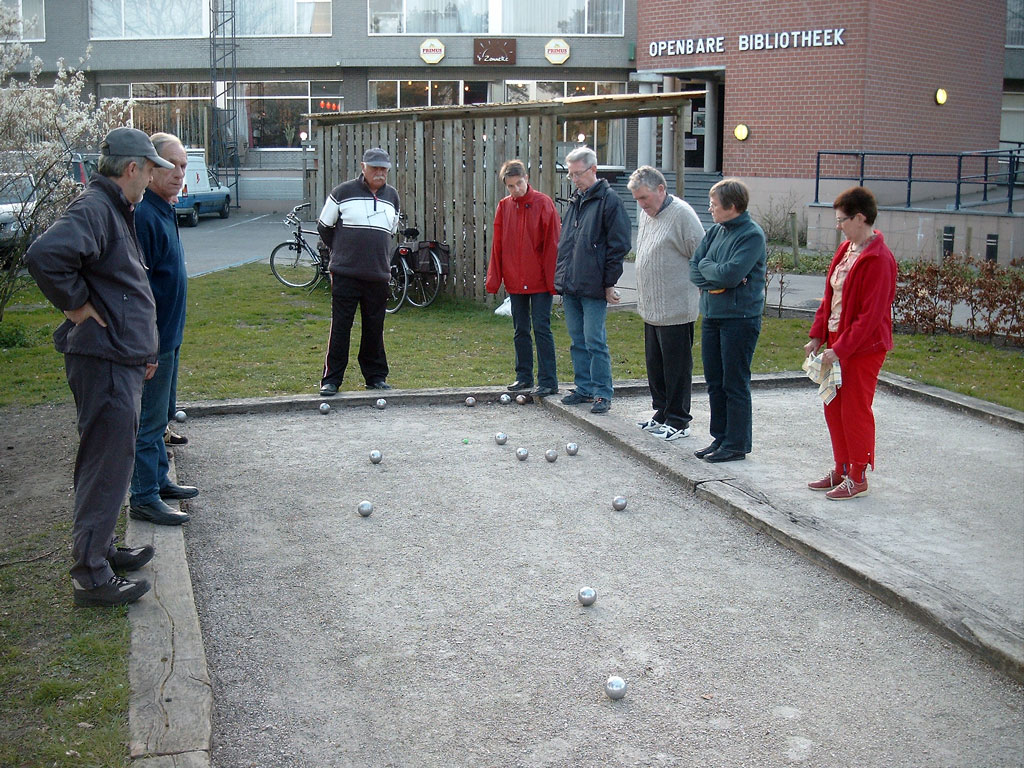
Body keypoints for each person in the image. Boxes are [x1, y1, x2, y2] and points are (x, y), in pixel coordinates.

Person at [25, 127, 174, 607]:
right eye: (150, 169)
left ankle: (102, 549)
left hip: (119, 357)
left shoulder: (117, 207)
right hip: (104, 360)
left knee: (112, 461)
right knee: (105, 465)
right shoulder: (95, 208)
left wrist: (141, 347)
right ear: (133, 169)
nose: (153, 177)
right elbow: (45, 256)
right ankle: (91, 575)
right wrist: (76, 307)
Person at [803, 186, 897, 500]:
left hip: (863, 349)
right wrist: (818, 335)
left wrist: (840, 349)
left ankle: (858, 474)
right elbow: (829, 297)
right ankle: (841, 467)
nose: (838, 225)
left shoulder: (879, 259)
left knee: (855, 410)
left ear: (860, 217)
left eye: (842, 219)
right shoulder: (846, 250)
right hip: (836, 344)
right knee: (833, 406)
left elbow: (870, 316)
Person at [128, 132, 196, 526]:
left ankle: (159, 480)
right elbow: (140, 291)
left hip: (170, 336)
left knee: (162, 414)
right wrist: (149, 345)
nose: (179, 173)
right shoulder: (145, 216)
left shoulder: (165, 208)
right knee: (149, 421)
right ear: (152, 168)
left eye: (184, 166)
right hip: (153, 341)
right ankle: (144, 496)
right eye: (171, 165)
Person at [689, 178, 766, 463]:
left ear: (732, 206)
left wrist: (714, 274)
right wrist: (714, 276)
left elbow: (729, 276)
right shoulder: (715, 232)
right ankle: (719, 436)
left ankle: (736, 443)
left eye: (714, 204)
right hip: (712, 314)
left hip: (739, 318)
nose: (710, 209)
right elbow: (694, 267)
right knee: (714, 381)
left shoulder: (751, 235)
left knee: (734, 382)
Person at [628, 165, 704, 441]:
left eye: (644, 198)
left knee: (677, 368)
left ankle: (679, 420)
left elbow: (700, 254)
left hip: (676, 308)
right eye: (637, 199)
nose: (641, 204)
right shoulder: (648, 214)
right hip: (652, 308)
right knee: (655, 365)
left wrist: (699, 290)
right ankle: (661, 411)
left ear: (661, 190)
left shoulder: (682, 215)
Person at [318, 147, 400, 396]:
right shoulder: (342, 192)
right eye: (374, 167)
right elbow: (325, 226)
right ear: (363, 167)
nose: (379, 172)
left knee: (375, 327)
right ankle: (331, 380)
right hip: (345, 273)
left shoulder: (392, 197)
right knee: (341, 326)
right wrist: (343, 251)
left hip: (378, 274)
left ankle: (375, 377)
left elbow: (391, 231)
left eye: (384, 168)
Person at [554, 146, 630, 414]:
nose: (574, 179)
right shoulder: (577, 201)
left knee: (595, 340)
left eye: (578, 174)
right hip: (572, 284)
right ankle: (584, 388)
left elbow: (618, 246)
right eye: (571, 175)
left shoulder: (610, 201)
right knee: (577, 340)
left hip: (594, 286)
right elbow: (567, 244)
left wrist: (609, 282)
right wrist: (560, 279)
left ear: (593, 170)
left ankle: (602, 392)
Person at [486, 159, 561, 397]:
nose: (516, 189)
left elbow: (553, 245)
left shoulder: (544, 203)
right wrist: (495, 278)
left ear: (526, 178)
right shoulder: (504, 206)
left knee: (541, 327)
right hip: (515, 280)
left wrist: (553, 282)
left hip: (538, 280)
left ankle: (548, 380)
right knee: (520, 329)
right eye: (511, 186)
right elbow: (498, 245)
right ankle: (524, 376)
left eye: (519, 183)